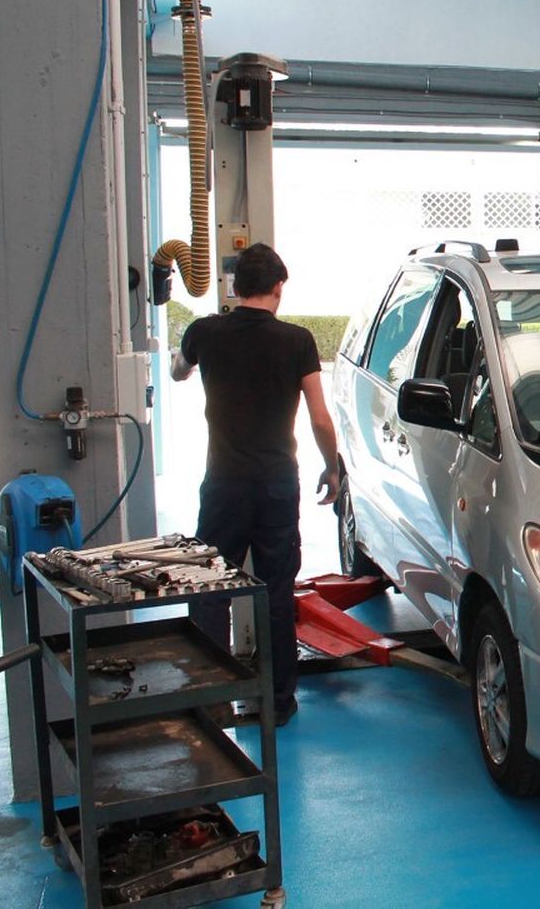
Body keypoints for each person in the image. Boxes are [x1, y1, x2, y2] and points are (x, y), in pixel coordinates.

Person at [172, 243, 340, 726]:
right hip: (276, 486)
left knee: (210, 590)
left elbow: (178, 372)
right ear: (279, 288)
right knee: (275, 591)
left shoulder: (205, 331)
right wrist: (332, 467)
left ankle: (211, 699)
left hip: (223, 484)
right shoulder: (298, 341)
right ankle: (277, 702)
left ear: (233, 287)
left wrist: (188, 364)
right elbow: (320, 419)